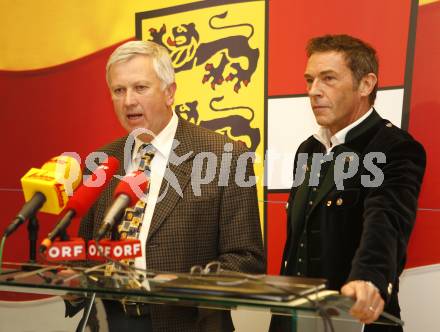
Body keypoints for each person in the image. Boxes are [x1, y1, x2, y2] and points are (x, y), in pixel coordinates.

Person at [69, 40, 265, 332]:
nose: (128, 101)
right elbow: (88, 250)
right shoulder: (102, 161)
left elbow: (247, 258)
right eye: (118, 90)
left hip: (188, 323)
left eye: (140, 88)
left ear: (169, 92)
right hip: (112, 321)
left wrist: (185, 288)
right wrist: (72, 278)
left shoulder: (224, 155)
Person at [270, 34, 426, 331]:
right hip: (295, 321)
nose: (313, 91)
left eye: (328, 79)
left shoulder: (395, 147)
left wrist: (368, 277)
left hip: (358, 319)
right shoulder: (309, 149)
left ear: (366, 84)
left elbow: (386, 220)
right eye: (309, 80)